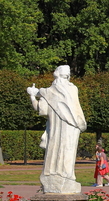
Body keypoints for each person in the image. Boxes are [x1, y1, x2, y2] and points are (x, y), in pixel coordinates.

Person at [26, 65, 88, 194]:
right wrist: (38, 93)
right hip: (73, 127)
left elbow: (40, 109)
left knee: (55, 151)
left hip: (56, 130)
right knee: (68, 151)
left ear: (56, 75)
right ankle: (67, 176)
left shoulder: (48, 92)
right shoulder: (73, 89)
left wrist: (32, 95)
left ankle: (55, 176)